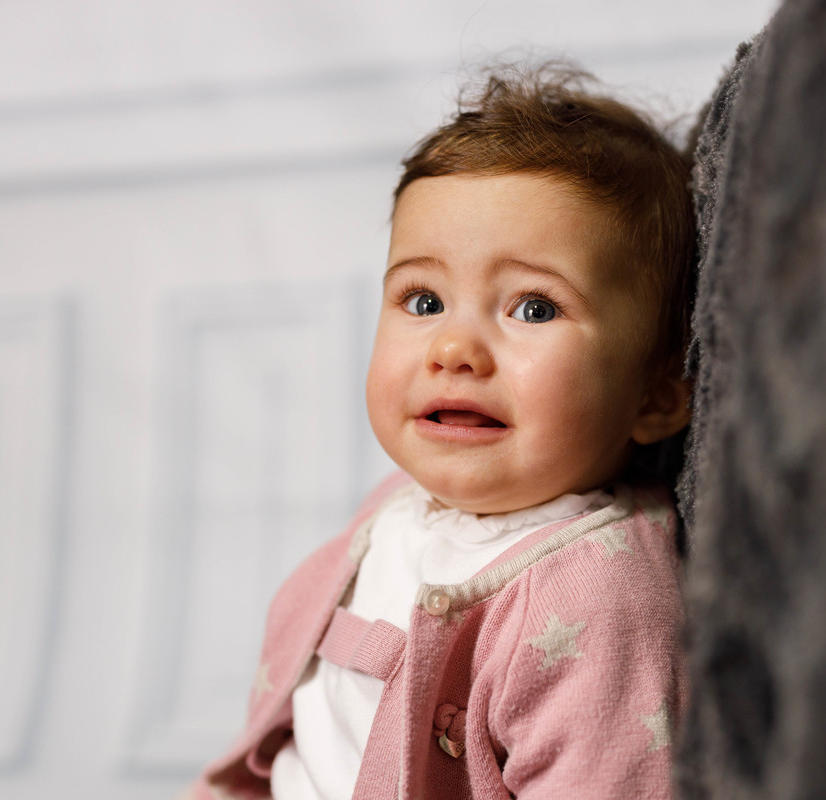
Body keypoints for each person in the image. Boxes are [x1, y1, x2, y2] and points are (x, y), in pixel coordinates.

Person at [189, 63, 695, 800]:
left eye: (533, 308)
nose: (453, 348)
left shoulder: (598, 597)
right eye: (423, 300)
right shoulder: (396, 507)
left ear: (656, 395)